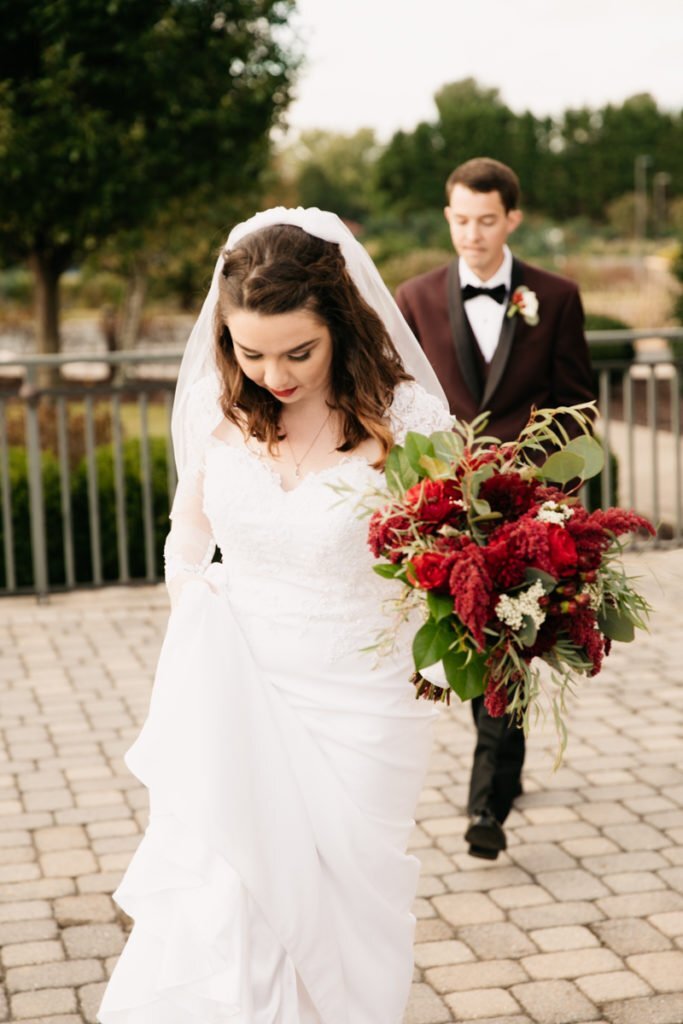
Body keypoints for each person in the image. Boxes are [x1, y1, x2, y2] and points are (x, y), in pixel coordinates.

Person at [97, 208, 453, 1024]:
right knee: (232, 892)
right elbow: (189, 533)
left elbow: (452, 552)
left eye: (299, 352)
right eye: (249, 352)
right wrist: (194, 604)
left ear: (342, 324)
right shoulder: (216, 409)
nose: (274, 375)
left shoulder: (407, 424)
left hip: (362, 695)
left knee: (340, 895)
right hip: (237, 679)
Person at [395, 158, 595, 861]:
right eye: (459, 220)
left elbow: (574, 409)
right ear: (446, 216)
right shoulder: (413, 298)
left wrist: (557, 512)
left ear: (511, 218)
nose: (471, 235)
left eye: (485, 221)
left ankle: (487, 803)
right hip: (446, 507)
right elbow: (402, 412)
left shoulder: (557, 295)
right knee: (456, 639)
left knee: (506, 643)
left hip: (525, 512)